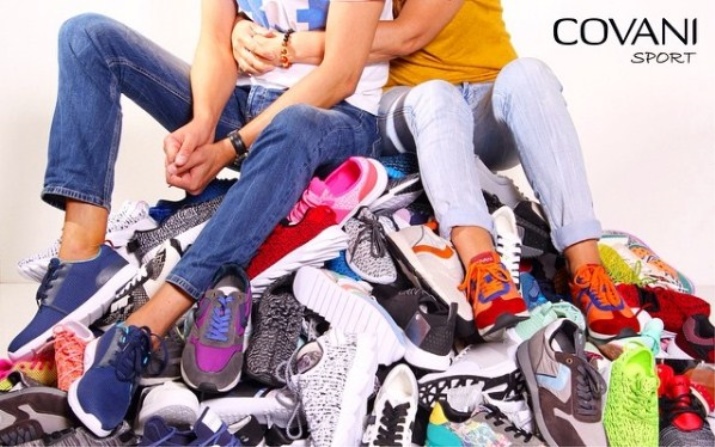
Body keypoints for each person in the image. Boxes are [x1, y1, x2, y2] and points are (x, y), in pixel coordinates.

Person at [8, 0, 392, 437]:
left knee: (295, 122)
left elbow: (341, 73)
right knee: (87, 36)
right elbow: (215, 41)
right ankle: (81, 259)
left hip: (335, 115)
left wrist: (228, 149)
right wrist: (204, 124)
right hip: (247, 102)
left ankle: (140, 332)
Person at [231, 0, 639, 340]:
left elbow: (409, 34)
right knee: (436, 96)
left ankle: (586, 268)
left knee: (529, 74)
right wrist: (241, 29)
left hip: (487, 106)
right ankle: (482, 266)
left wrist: (288, 46)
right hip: (405, 106)